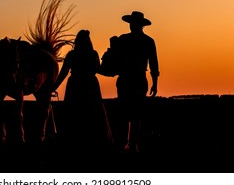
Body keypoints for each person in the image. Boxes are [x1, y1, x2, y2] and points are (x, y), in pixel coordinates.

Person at [53, 30, 112, 151]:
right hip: (91, 85)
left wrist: (53, 87)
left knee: (74, 114)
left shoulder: (71, 55)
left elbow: (63, 72)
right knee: (93, 113)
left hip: (75, 85)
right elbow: (98, 69)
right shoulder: (93, 54)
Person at [116, 11, 159, 152]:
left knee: (125, 113)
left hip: (125, 79)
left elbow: (115, 60)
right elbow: (153, 64)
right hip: (139, 79)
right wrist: (154, 83)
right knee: (135, 114)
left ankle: (125, 142)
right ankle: (132, 144)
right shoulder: (148, 41)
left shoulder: (123, 40)